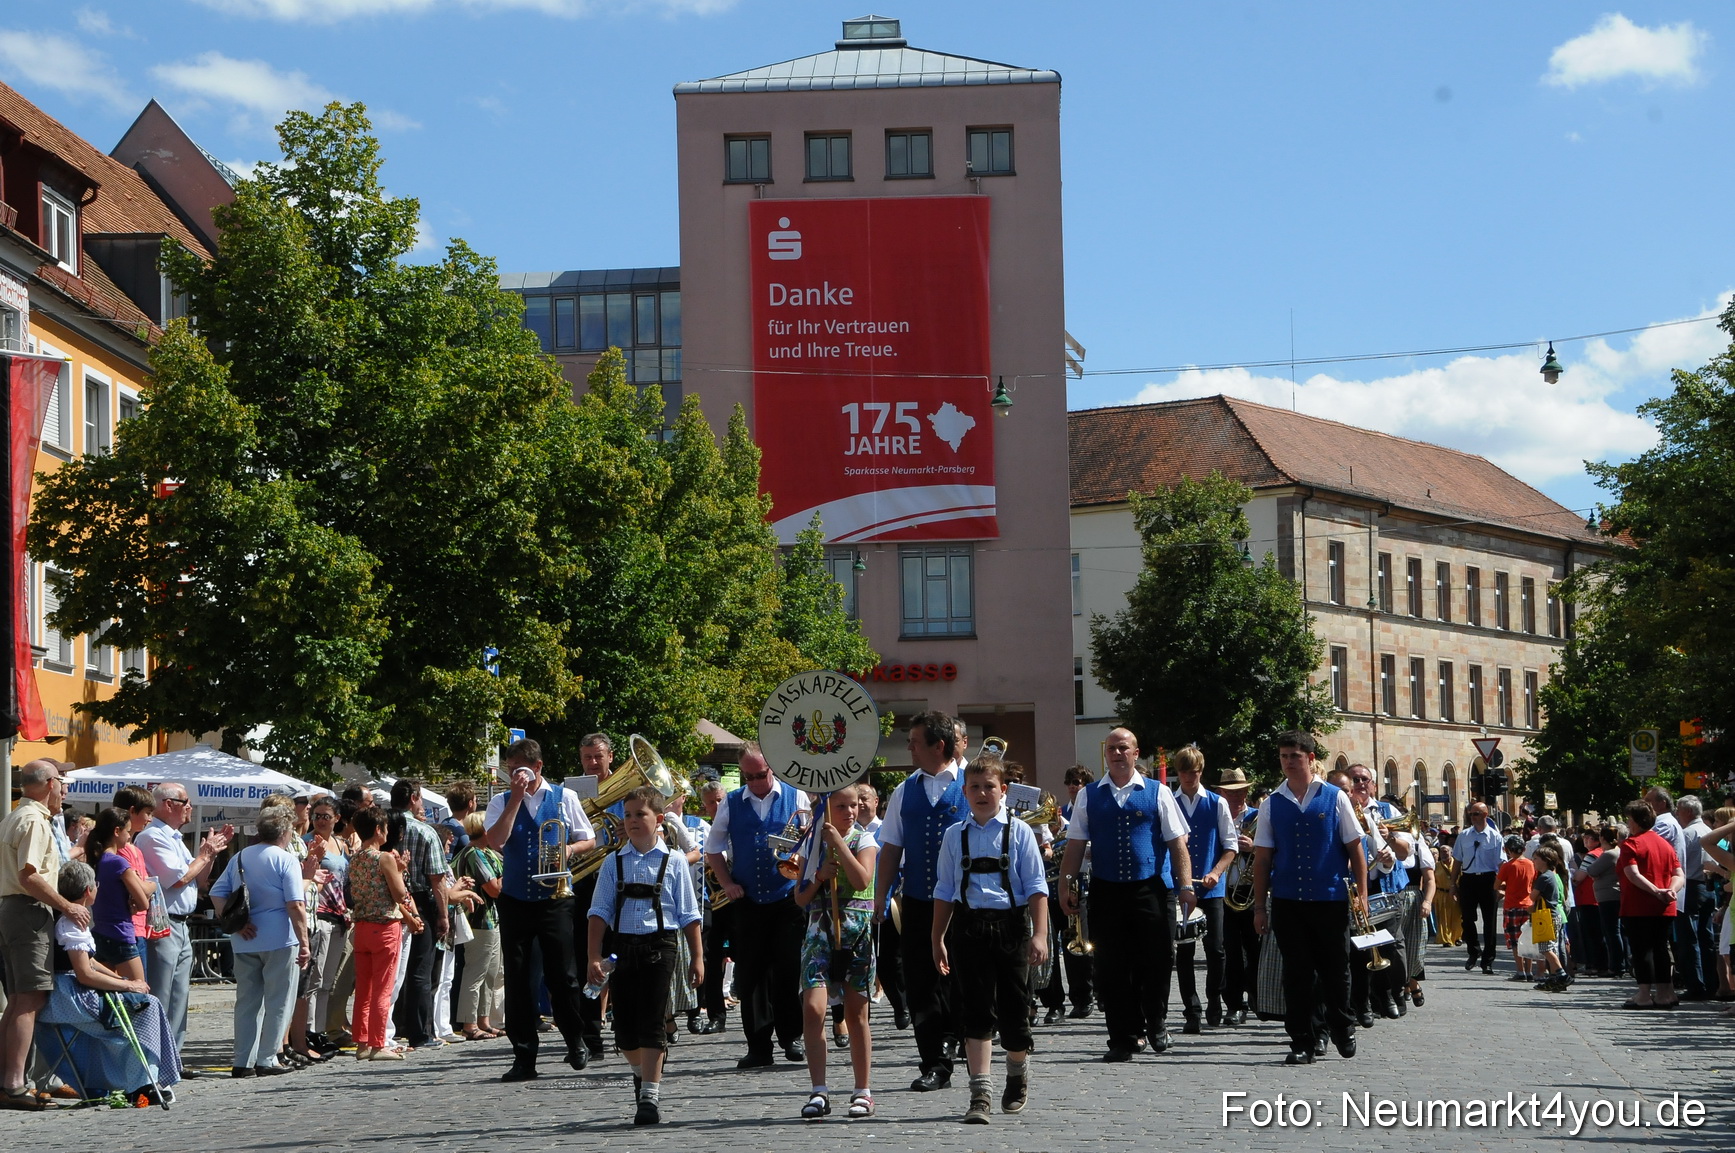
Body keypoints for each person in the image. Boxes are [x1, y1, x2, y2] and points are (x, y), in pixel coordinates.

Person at [1058, 726, 1193, 1061]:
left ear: (1136, 753)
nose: (1117, 754)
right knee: (1111, 965)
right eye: (1112, 749)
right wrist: (1066, 885)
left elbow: (1178, 844)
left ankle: (1156, 1022)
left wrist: (1186, 885)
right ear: (1106, 755)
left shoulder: (1157, 792)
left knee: (1157, 960)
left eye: (1124, 748)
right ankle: (1121, 1037)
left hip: (1148, 888)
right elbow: (1075, 846)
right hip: (1106, 890)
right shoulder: (1089, 795)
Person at [931, 758, 1049, 1124]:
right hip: (968, 929)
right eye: (975, 787)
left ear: (1004, 791)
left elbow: (1036, 887)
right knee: (976, 1012)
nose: (982, 794)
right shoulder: (954, 835)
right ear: (964, 792)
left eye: (989, 787)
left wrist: (1041, 934)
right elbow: (945, 889)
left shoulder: (1019, 832)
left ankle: (1016, 1074)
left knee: (1015, 1013)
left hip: (1011, 929)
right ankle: (979, 1093)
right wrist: (937, 938)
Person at [587, 787, 703, 1127]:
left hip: (661, 946)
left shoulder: (676, 861)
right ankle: (642, 1073)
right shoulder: (614, 862)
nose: (634, 821)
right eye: (628, 815)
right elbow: (599, 912)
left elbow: (689, 914)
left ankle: (649, 1097)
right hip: (622, 949)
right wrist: (593, 955)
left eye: (641, 814)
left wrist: (698, 957)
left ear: (659, 820)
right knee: (624, 1030)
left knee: (653, 1021)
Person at [1250, 730, 1367, 1066]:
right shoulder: (1273, 802)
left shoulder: (1334, 797)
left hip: (1329, 899)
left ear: (1311, 759)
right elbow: (1262, 858)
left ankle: (1342, 1025)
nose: (1289, 762)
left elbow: (1354, 848)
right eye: (1284, 756)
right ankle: (1303, 1039)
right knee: (1297, 974)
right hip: (1288, 900)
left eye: (1295, 756)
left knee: (1335, 970)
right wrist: (1260, 906)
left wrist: (1361, 893)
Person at [485, 737, 597, 1080]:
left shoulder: (566, 797)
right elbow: (496, 841)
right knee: (518, 979)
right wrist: (515, 799)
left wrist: (570, 850)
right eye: (510, 769)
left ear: (537, 767)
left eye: (520, 769)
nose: (514, 775)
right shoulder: (502, 800)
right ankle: (524, 1056)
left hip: (555, 898)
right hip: (516, 897)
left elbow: (589, 837)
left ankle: (575, 1039)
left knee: (562, 976)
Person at [871, 712, 966, 1090]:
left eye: (914, 740)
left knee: (961, 979)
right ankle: (934, 1063)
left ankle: (961, 1038)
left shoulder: (971, 783)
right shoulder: (904, 790)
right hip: (918, 899)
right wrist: (880, 896)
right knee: (921, 982)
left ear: (937, 745)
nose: (908, 746)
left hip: (965, 902)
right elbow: (892, 846)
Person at [705, 743, 812, 1070]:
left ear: (773, 769)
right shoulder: (733, 803)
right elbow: (713, 849)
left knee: (787, 969)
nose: (755, 782)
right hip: (748, 901)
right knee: (750, 974)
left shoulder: (796, 797)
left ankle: (792, 1037)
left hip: (787, 899)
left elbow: (811, 843)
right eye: (748, 777)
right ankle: (758, 1046)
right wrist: (727, 883)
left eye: (760, 775)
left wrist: (804, 882)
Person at [36, 860, 180, 1102]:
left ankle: (145, 1079)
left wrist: (119, 979)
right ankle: (141, 1084)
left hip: (72, 991)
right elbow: (84, 973)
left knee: (144, 1001)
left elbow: (90, 962)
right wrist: (128, 985)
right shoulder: (72, 922)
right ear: (88, 891)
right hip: (69, 998)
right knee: (145, 1008)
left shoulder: (73, 919)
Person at [0, 761, 89, 1111]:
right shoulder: (35, 821)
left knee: (19, 999)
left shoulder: (13, 816)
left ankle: (8, 1079)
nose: (64, 790)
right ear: (49, 784)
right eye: (62, 783)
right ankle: (14, 1083)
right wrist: (68, 905)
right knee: (30, 999)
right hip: (27, 910)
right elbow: (29, 876)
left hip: (12, 909)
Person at [793, 784, 879, 1121]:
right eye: (841, 806)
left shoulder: (865, 839)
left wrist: (839, 844)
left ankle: (862, 1090)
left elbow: (861, 879)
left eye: (854, 805)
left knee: (857, 1013)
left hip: (856, 930)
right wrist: (817, 877)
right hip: (819, 930)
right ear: (827, 810)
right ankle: (819, 1089)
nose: (850, 812)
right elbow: (800, 897)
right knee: (813, 1010)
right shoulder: (812, 844)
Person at [209, 809, 311, 1078]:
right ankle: (267, 1058)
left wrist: (236, 923)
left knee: (247, 1001)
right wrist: (304, 942)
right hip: (279, 937)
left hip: (245, 938)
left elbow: (216, 893)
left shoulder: (240, 857)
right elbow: (296, 904)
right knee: (279, 1000)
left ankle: (243, 1061)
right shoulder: (286, 860)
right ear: (285, 833)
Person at [136, 782, 231, 1061]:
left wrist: (210, 855)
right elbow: (178, 878)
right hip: (164, 924)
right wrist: (204, 855)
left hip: (182, 924)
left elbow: (199, 880)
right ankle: (155, 1058)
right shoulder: (153, 836)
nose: (190, 806)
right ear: (168, 804)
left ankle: (172, 1058)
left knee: (180, 996)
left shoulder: (174, 837)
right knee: (162, 993)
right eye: (185, 801)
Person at [1170, 746, 1235, 1032]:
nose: (1188, 777)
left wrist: (1216, 872)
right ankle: (1191, 1010)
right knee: (1183, 952)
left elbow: (1230, 845)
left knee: (1216, 949)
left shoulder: (1217, 803)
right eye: (1183, 771)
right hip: (1180, 889)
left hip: (1212, 889)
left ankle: (1214, 999)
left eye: (1193, 771)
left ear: (1201, 771)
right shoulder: (1170, 802)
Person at [347, 807, 421, 1061]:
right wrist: (401, 870)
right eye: (385, 828)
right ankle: (379, 1043)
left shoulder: (355, 858)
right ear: (378, 830)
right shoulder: (384, 858)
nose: (387, 832)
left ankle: (362, 1043)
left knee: (364, 990)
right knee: (382, 989)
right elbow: (400, 894)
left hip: (362, 927)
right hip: (385, 927)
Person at [1619, 798, 1683, 1010]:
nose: (1628, 823)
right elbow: (1678, 874)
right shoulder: (1664, 844)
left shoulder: (1631, 844)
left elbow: (1632, 874)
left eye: (1629, 819)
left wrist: (1655, 890)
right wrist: (1670, 890)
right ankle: (1665, 993)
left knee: (1642, 949)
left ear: (1635, 820)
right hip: (1665, 905)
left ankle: (1644, 994)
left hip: (1639, 905)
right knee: (1660, 948)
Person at [84, 807, 154, 985]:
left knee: (108, 993)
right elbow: (143, 902)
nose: (130, 836)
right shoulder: (118, 862)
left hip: (100, 933)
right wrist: (153, 885)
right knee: (139, 990)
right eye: (128, 831)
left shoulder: (97, 861)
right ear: (117, 831)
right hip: (121, 934)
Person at [302, 797, 349, 1057]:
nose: (320, 820)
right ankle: (310, 1031)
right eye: (317, 815)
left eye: (326, 816)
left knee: (328, 981)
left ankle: (320, 1030)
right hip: (318, 913)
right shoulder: (309, 842)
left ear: (337, 819)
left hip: (339, 915)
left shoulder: (340, 845)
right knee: (315, 978)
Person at [452, 812, 504, 1040]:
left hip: (492, 919)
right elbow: (494, 888)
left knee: (490, 973)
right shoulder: (474, 854)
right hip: (479, 920)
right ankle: (469, 1023)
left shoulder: (486, 852)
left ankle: (483, 1020)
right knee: (476, 973)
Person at [1217, 768, 1259, 1025]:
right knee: (1229, 951)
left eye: (1241, 791)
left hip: (1251, 891)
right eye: (1230, 792)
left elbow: (1272, 849)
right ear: (1221, 793)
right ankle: (1234, 1004)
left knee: (1255, 949)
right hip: (1224, 889)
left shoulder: (1257, 816)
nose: (1236, 796)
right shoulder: (1217, 816)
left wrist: (1253, 848)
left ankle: (1257, 996)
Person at [693, 778, 731, 1035]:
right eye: (710, 803)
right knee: (712, 958)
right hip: (715, 903)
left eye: (719, 800)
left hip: (740, 899)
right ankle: (716, 1014)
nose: (716, 806)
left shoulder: (737, 824)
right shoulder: (705, 830)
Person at [1452, 803, 1504, 974]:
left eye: (1476, 814)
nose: (1472, 817)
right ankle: (1473, 951)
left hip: (1489, 880)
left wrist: (1502, 886)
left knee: (1490, 922)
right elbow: (1457, 862)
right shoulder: (1464, 836)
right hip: (1468, 879)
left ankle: (1488, 960)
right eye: (1470, 814)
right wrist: (1453, 884)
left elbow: (1501, 864)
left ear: (1485, 814)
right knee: (1467, 918)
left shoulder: (1495, 836)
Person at [1674, 796, 1716, 1000]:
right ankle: (1711, 982)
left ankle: (1696, 986)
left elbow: (1678, 862)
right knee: (1706, 937)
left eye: (1679, 810)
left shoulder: (1687, 833)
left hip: (1691, 886)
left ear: (1688, 812)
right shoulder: (1709, 831)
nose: (1677, 815)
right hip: (1708, 886)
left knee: (1689, 938)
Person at [1587, 824, 1627, 977]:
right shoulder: (1617, 852)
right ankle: (1619, 964)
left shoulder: (1609, 854)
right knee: (1615, 931)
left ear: (1602, 838)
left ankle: (1616, 966)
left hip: (1608, 896)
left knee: (1612, 932)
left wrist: (1596, 875)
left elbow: (1591, 870)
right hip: (1612, 895)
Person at [1531, 844, 1571, 992]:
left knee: (1546, 948)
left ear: (1545, 860)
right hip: (1556, 914)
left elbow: (1532, 896)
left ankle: (1561, 974)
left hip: (1547, 916)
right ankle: (1554, 978)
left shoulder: (1544, 877)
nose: (1533, 861)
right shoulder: (1554, 875)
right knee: (1552, 947)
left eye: (1535, 858)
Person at [1495, 835, 1536, 981]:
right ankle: (1530, 971)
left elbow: (1497, 885)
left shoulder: (1508, 866)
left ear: (1507, 850)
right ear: (1524, 849)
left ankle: (1520, 971)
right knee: (1528, 940)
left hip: (1512, 906)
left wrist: (1506, 886)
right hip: (1529, 905)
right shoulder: (1531, 864)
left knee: (1515, 941)